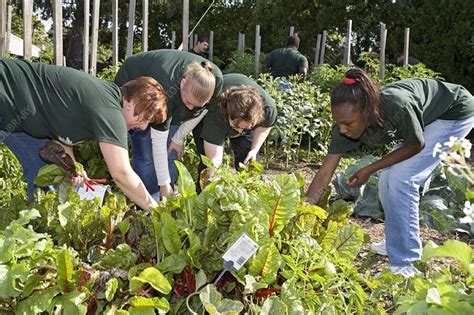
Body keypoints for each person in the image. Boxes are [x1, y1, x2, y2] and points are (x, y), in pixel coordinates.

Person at [306, 68, 474, 277]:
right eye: (338, 123)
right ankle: (396, 240)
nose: (342, 129)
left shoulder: (396, 106)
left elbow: (415, 145)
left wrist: (369, 169)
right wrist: (302, 213)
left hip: (453, 113)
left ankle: (405, 263)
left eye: (347, 123)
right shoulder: (344, 127)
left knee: (402, 179)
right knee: (387, 177)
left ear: (367, 112)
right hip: (423, 119)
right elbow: (324, 174)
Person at [0, 58, 168, 211]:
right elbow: (122, 174)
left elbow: (62, 134)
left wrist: (73, 167)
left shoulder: (105, 99)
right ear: (132, 103)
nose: (143, 126)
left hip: (16, 116)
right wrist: (156, 210)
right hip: (5, 90)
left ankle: (38, 230)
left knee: (44, 173)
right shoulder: (111, 111)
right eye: (145, 117)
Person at [114, 49, 223, 199]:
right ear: (182, 83)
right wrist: (163, 185)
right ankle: (148, 201)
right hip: (137, 92)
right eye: (189, 102)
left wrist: (178, 138)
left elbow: (202, 112)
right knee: (146, 153)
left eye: (197, 105)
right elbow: (158, 142)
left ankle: (165, 199)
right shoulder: (167, 91)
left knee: (171, 151)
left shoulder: (215, 83)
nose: (191, 108)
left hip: (172, 101)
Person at [172, 73, 277, 191]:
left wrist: (254, 149)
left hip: (242, 117)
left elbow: (265, 126)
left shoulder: (268, 109)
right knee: (207, 165)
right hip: (208, 117)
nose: (239, 131)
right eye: (235, 126)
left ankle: (253, 199)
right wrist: (213, 189)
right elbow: (214, 161)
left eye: (244, 128)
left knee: (249, 163)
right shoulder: (216, 114)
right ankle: (202, 200)